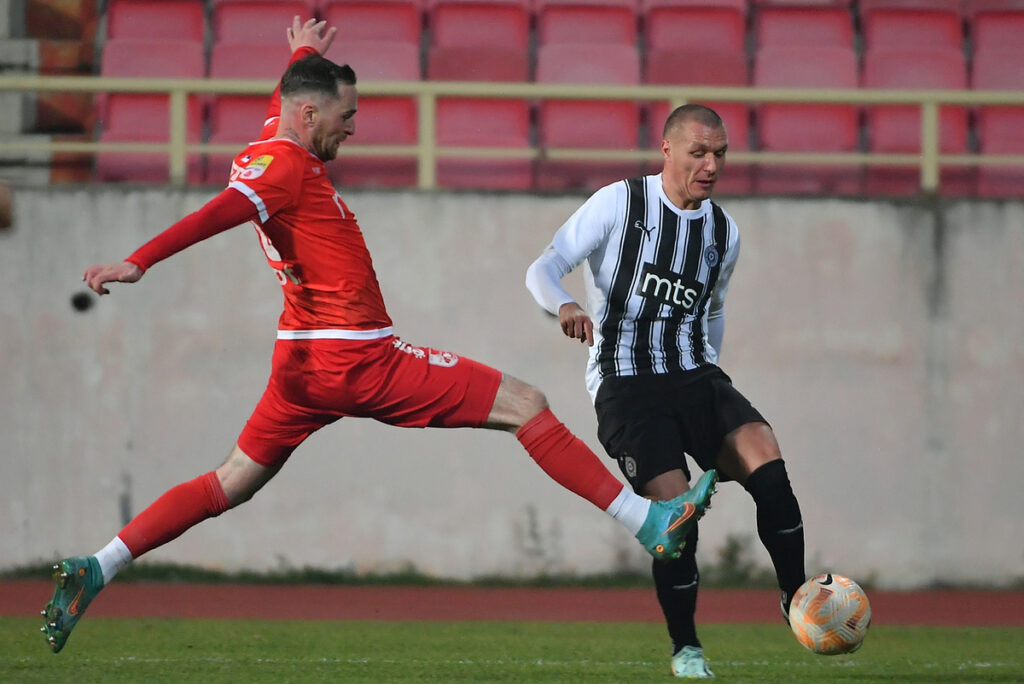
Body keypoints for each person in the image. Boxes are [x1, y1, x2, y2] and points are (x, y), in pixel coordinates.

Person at [40, 19, 718, 654]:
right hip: (359, 356)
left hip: (298, 362)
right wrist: (142, 259)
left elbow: (292, 97)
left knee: (231, 482)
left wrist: (303, 51)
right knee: (526, 404)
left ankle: (99, 567)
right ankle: (648, 523)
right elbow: (220, 212)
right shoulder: (282, 169)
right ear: (313, 118)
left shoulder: (274, 138)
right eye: (346, 117)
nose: (353, 129)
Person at [525, 104, 806, 678]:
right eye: (700, 152)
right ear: (668, 149)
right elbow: (543, 267)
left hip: (694, 376)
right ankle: (686, 646)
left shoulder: (723, 232)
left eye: (720, 153)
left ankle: (797, 598)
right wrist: (567, 304)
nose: (711, 165)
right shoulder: (620, 203)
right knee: (676, 518)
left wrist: (710, 378)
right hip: (625, 383)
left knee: (769, 462)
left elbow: (715, 310)